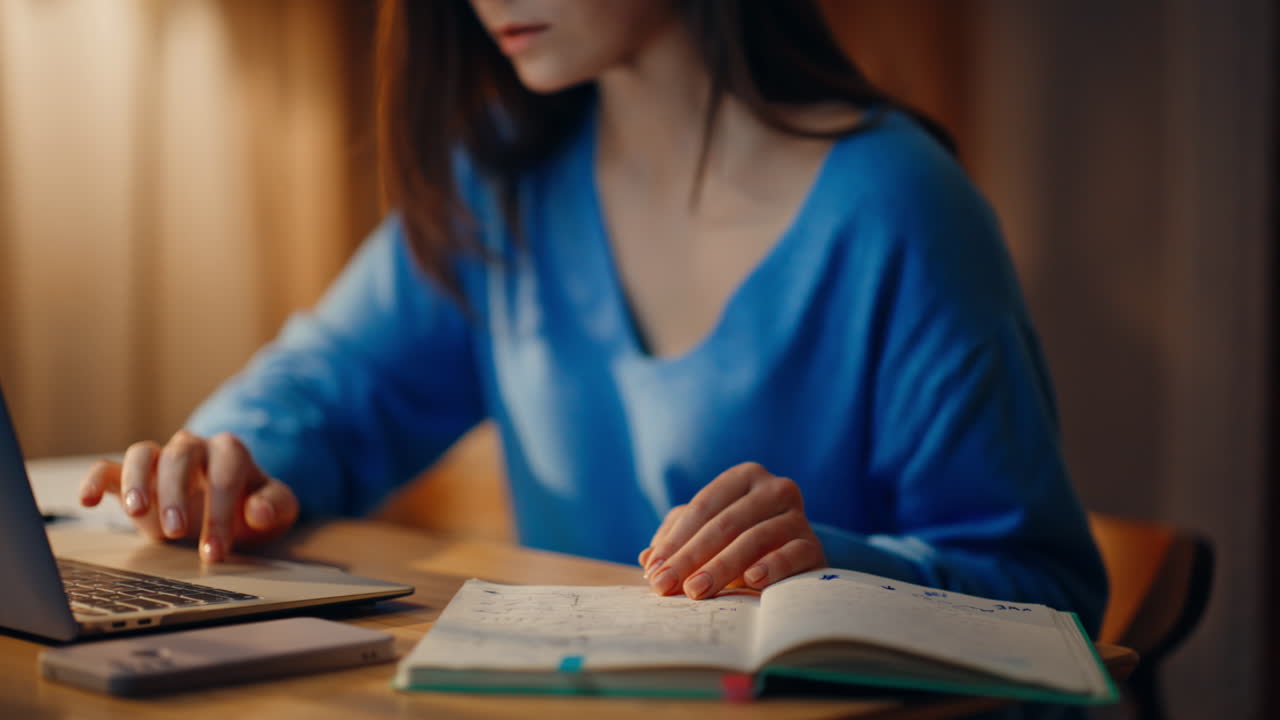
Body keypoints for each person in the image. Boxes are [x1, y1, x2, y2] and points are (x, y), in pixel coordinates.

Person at [79, 0, 1107, 633]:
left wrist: (829, 568)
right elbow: (329, 387)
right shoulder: (502, 184)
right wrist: (230, 466)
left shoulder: (898, 208)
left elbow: (1047, 594)